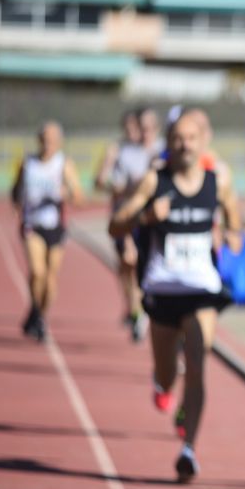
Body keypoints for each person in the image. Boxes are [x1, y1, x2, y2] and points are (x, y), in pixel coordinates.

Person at [109, 110, 241, 483]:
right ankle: (163, 382)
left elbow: (233, 219)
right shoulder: (154, 181)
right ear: (169, 143)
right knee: (169, 375)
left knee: (199, 365)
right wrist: (147, 215)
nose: (184, 145)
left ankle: (189, 450)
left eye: (190, 138)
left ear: (203, 143)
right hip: (162, 290)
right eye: (177, 138)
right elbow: (115, 225)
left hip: (202, 291)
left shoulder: (218, 181)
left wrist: (229, 235)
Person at [12, 121, 86, 342]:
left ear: (59, 142)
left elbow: (80, 199)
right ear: (39, 140)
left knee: (51, 279)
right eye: (44, 139)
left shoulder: (64, 164)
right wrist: (18, 204)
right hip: (32, 225)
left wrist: (67, 193)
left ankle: (40, 316)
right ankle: (35, 307)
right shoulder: (28, 163)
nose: (48, 144)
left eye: (52, 140)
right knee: (37, 272)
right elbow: (15, 192)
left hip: (55, 226)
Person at [97, 107, 162, 341]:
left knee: (141, 267)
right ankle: (134, 310)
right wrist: (131, 187)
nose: (144, 133)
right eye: (140, 128)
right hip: (126, 217)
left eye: (149, 129)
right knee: (127, 263)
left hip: (152, 222)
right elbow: (106, 183)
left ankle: (140, 310)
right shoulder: (124, 153)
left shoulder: (164, 151)